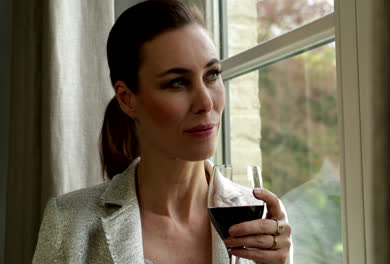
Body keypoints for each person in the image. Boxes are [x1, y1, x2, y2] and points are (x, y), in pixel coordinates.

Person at [33, 0, 292, 263]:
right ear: (127, 99)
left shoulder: (261, 219)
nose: (206, 103)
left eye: (212, 74)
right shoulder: (71, 221)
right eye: (177, 82)